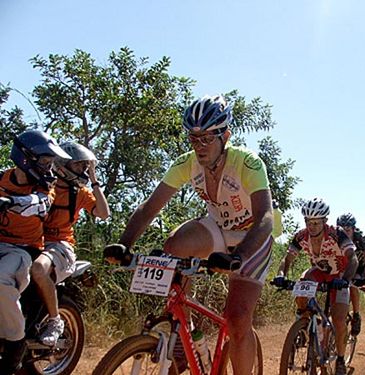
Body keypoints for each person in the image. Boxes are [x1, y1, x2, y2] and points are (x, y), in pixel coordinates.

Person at [104, 95, 273, 375]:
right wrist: (124, 244)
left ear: (225, 136)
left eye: (206, 138)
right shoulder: (186, 164)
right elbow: (149, 208)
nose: (199, 146)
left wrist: (240, 255)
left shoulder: (248, 163)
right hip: (218, 228)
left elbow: (265, 218)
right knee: (174, 246)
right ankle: (184, 331)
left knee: (237, 318)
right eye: (193, 139)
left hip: (251, 238)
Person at [0, 130, 69, 374]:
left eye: (51, 162)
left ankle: (14, 343)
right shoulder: (2, 180)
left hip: (22, 249)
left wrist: (11, 202)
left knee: (1, 279)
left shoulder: (45, 188)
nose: (49, 167)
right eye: (45, 161)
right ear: (25, 158)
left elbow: (38, 205)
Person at [31, 142, 110, 346]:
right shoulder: (43, 184)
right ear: (63, 164)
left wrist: (94, 181)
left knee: (38, 270)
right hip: (33, 242)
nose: (83, 170)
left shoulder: (80, 193)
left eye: (85, 166)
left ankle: (55, 321)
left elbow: (103, 213)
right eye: (79, 166)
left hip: (60, 246)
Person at [274, 198, 358, 375]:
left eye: (315, 223)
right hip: (319, 272)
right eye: (307, 222)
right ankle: (305, 325)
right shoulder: (301, 236)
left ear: (325, 222)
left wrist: (345, 279)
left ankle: (341, 359)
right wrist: (281, 275)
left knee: (339, 319)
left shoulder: (337, 234)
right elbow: (287, 259)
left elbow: (353, 259)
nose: (311, 226)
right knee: (302, 282)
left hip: (339, 275)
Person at [336, 213, 365, 336]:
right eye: (342, 229)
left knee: (353, 285)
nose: (344, 233)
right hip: (342, 266)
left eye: (348, 230)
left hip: (358, 267)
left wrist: (364, 278)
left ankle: (356, 315)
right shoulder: (334, 236)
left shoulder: (361, 239)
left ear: (353, 229)